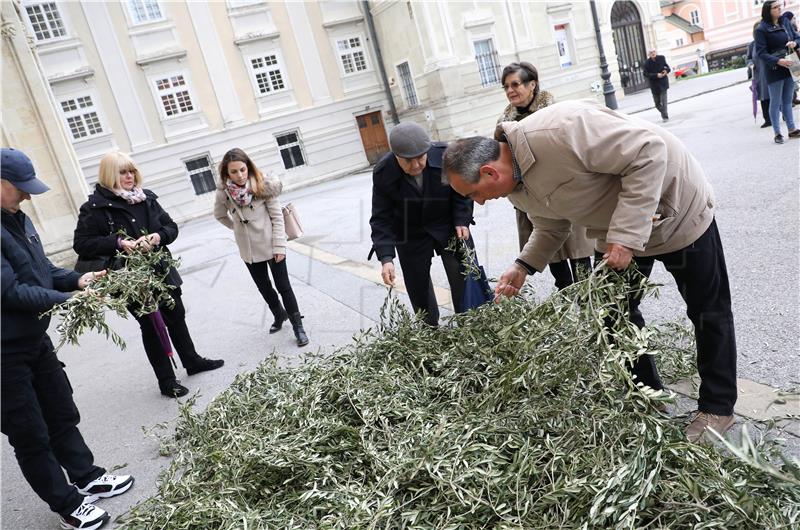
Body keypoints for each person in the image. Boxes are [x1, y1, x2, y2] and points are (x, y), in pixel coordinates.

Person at [442, 99, 738, 444]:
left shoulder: (562, 131)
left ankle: (718, 407)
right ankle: (646, 394)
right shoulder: (515, 185)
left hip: (676, 210)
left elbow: (649, 151)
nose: (478, 203)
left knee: (707, 311)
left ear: (490, 172)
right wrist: (523, 266)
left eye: (474, 194)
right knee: (613, 313)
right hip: (614, 231)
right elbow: (551, 225)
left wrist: (627, 236)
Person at [1, 148, 134, 530]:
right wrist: (68, 298)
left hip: (33, 341)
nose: (27, 196)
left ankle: (86, 476)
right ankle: (67, 504)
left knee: (61, 411)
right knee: (30, 433)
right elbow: (9, 292)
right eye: (20, 188)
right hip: (3, 355)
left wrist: (77, 279)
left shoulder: (16, 218)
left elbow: (40, 269)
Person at [73, 151, 223, 398]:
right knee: (152, 325)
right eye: (123, 172)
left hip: (160, 268)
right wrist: (118, 243)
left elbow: (171, 227)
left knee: (176, 313)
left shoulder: (147, 198)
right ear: (110, 174)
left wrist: (158, 237)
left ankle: (192, 361)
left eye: (131, 170)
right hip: (131, 278)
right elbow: (82, 244)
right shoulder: (94, 208)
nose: (129, 176)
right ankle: (166, 381)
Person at [496, 61, 592, 289]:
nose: (510, 91)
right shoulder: (503, 124)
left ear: (532, 85)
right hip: (528, 198)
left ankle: (589, 306)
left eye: (515, 84)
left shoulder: (551, 114)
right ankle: (567, 304)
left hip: (559, 191)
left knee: (580, 259)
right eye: (506, 86)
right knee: (552, 256)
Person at [369, 122, 474, 326]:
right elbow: (381, 218)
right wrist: (386, 257)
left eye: (421, 158)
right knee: (418, 286)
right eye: (408, 161)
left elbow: (463, 189)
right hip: (410, 233)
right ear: (396, 155)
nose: (416, 166)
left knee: (463, 274)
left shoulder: (446, 155)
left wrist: (462, 219)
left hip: (448, 225)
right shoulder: (383, 172)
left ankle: (470, 323)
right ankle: (429, 330)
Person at [213, 148, 309, 347]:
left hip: (272, 245)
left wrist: (280, 247)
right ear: (226, 173)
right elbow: (220, 215)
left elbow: (277, 218)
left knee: (284, 287)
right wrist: (237, 228)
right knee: (264, 287)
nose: (239, 175)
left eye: (242, 169)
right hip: (248, 249)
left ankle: (298, 326)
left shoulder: (263, 186)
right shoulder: (224, 193)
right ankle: (279, 314)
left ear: (248, 167)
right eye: (234, 172)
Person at [755, 0, 800, 144]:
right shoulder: (761, 29)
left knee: (787, 100)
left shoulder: (785, 22)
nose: (779, 9)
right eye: (776, 7)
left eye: (779, 6)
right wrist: (778, 61)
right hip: (775, 68)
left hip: (790, 64)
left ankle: (792, 129)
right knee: (775, 103)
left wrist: (795, 43)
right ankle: (777, 133)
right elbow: (761, 53)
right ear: (768, 10)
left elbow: (797, 37)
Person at [747, 22, 772, 128]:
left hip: (771, 72)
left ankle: (784, 114)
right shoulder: (752, 45)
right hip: (759, 75)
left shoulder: (770, 41)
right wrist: (750, 63)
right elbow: (748, 58)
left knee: (775, 95)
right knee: (763, 97)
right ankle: (767, 119)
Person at [643, 49, 671, 122]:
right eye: (651, 52)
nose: (653, 53)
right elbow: (645, 74)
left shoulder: (662, 58)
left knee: (663, 101)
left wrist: (666, 71)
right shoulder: (646, 63)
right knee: (657, 104)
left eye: (654, 52)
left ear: (656, 52)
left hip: (663, 83)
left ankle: (665, 117)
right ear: (648, 54)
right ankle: (664, 113)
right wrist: (656, 75)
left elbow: (667, 67)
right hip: (654, 85)